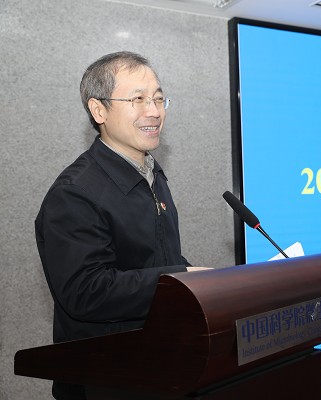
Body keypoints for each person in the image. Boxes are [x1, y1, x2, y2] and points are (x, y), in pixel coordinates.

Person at [35, 51, 206, 400]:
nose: (154, 111)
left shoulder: (152, 175)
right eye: (138, 99)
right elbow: (86, 291)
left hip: (163, 368)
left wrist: (207, 283)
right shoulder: (74, 192)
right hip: (106, 380)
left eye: (158, 98)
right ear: (99, 110)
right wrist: (181, 278)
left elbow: (156, 258)